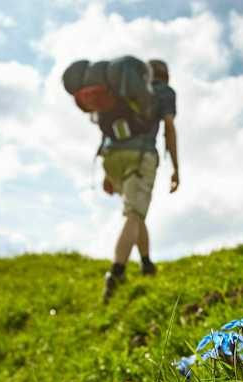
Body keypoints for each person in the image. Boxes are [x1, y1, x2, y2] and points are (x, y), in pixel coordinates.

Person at [99, 59, 179, 303]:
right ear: (165, 75)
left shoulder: (127, 93)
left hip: (112, 157)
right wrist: (176, 167)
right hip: (140, 156)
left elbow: (110, 130)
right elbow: (169, 128)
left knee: (137, 212)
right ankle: (116, 273)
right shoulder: (164, 92)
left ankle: (146, 265)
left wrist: (107, 172)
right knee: (134, 214)